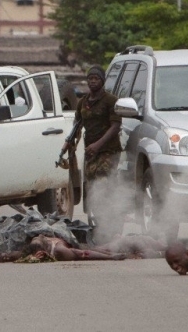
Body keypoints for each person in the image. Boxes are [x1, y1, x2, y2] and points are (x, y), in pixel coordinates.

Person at [61, 65, 122, 244]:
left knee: (104, 186)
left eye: (96, 78)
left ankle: (110, 226)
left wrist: (98, 145)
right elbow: (77, 126)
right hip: (91, 153)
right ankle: (96, 226)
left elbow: (116, 126)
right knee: (92, 189)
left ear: (102, 81)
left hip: (108, 151)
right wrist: (67, 145)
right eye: (90, 78)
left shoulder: (111, 101)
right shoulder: (83, 102)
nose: (92, 81)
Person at [0, 233, 127, 263]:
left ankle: (114, 247)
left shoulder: (58, 249)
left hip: (61, 233)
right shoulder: (59, 251)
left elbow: (84, 253)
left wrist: (111, 256)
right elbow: (84, 253)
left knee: (102, 247)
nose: (40, 236)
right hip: (62, 239)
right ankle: (112, 249)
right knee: (101, 249)